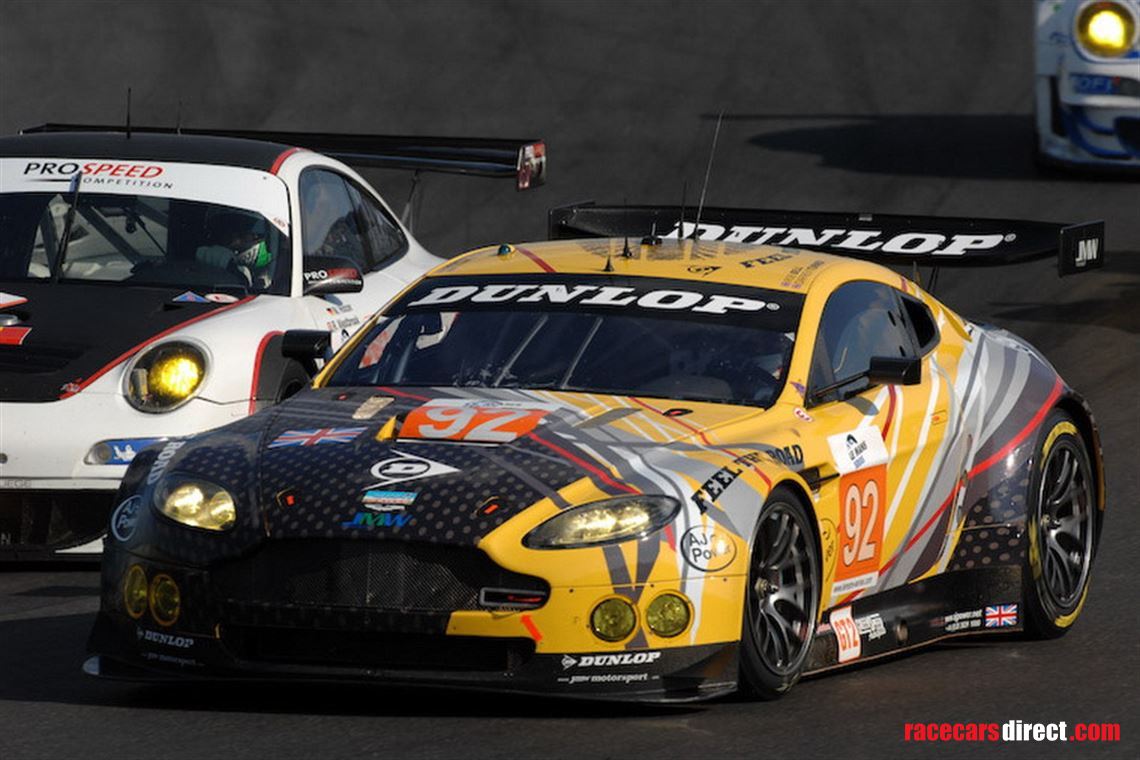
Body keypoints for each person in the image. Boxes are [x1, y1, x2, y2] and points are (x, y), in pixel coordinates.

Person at [195, 212, 274, 289]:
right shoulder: (211, 258)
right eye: (223, 230)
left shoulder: (273, 279)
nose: (234, 240)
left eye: (242, 232)